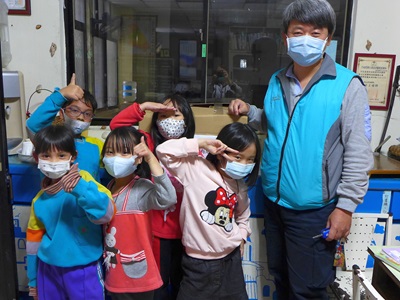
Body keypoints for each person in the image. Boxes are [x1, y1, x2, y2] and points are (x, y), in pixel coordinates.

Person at [228, 1, 374, 299]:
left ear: (327, 40)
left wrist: (345, 207)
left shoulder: (347, 85)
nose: (306, 38)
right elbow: (278, 123)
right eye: (298, 31)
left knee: (307, 290)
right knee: (280, 278)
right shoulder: (277, 79)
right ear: (286, 37)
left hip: (314, 211)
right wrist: (250, 112)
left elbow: (359, 153)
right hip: (274, 202)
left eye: (315, 32)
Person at [156, 122, 261, 300]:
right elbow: (163, 151)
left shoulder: (240, 187)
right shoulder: (195, 168)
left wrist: (242, 236)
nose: (244, 164)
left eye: (250, 160)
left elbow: (243, 216)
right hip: (197, 264)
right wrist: (201, 143)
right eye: (238, 157)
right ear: (221, 153)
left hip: (231, 261)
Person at [110, 94, 195, 300]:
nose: (170, 121)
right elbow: (116, 125)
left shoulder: (192, 150)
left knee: (182, 282)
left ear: (187, 121)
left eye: (176, 115)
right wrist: (145, 106)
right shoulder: (146, 143)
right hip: (155, 231)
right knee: (158, 285)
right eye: (163, 115)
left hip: (187, 231)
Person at [26, 125, 116, 300]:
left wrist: (79, 187)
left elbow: (107, 213)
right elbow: (32, 245)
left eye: (61, 155)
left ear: (72, 157)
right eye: (46, 156)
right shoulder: (39, 200)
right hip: (48, 271)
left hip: (83, 269)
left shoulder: (86, 181)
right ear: (37, 158)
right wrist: (33, 281)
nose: (53, 162)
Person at [101, 126, 177, 300]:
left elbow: (168, 198)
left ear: (137, 160)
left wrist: (151, 158)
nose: (115, 159)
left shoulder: (140, 189)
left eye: (124, 153)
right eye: (111, 152)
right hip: (114, 276)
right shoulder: (106, 189)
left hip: (138, 279)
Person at [26, 73, 103, 180]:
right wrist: (61, 95)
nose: (81, 117)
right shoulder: (50, 140)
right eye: (75, 110)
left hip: (88, 197)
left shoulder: (95, 147)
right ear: (62, 113)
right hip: (53, 196)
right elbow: (33, 125)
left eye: (87, 114)